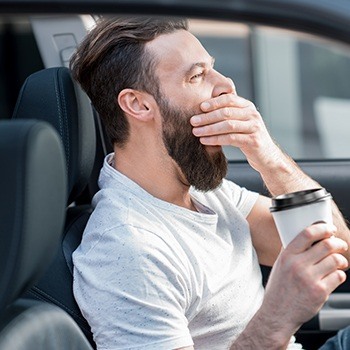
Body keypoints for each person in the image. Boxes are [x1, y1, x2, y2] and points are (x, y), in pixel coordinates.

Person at [70, 16, 350, 350]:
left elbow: (333, 246)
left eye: (212, 68)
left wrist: (268, 156)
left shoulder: (201, 189)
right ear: (139, 104)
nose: (227, 85)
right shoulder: (126, 250)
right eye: (198, 75)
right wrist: (275, 320)